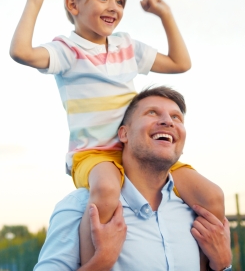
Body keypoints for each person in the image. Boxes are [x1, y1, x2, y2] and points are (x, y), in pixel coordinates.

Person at [9, 0, 224, 264]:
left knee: (211, 195)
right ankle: (96, 263)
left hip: (136, 151)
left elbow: (180, 63)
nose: (114, 7)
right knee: (107, 190)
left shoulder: (126, 46)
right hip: (94, 154)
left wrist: (165, 15)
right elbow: (22, 52)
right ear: (73, 4)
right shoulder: (67, 51)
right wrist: (35, 0)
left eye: (119, 1)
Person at [34, 86, 233, 270]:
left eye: (176, 117)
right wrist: (101, 261)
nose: (168, 121)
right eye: (152, 112)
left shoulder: (197, 212)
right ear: (124, 133)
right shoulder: (80, 206)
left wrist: (223, 265)